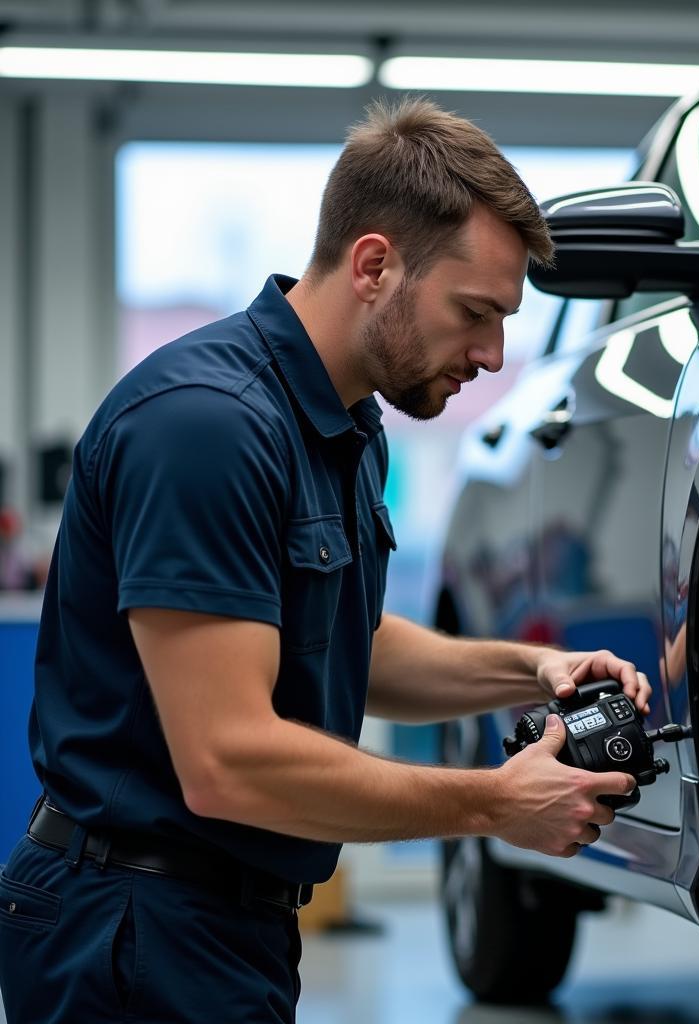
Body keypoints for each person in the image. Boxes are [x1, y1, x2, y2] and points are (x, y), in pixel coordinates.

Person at [0, 97, 652, 1023]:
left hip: (226, 924)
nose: (494, 355)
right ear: (375, 265)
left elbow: (352, 641)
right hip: (134, 928)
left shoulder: (349, 429)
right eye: (475, 312)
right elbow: (227, 760)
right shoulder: (208, 426)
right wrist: (493, 803)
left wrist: (531, 669)